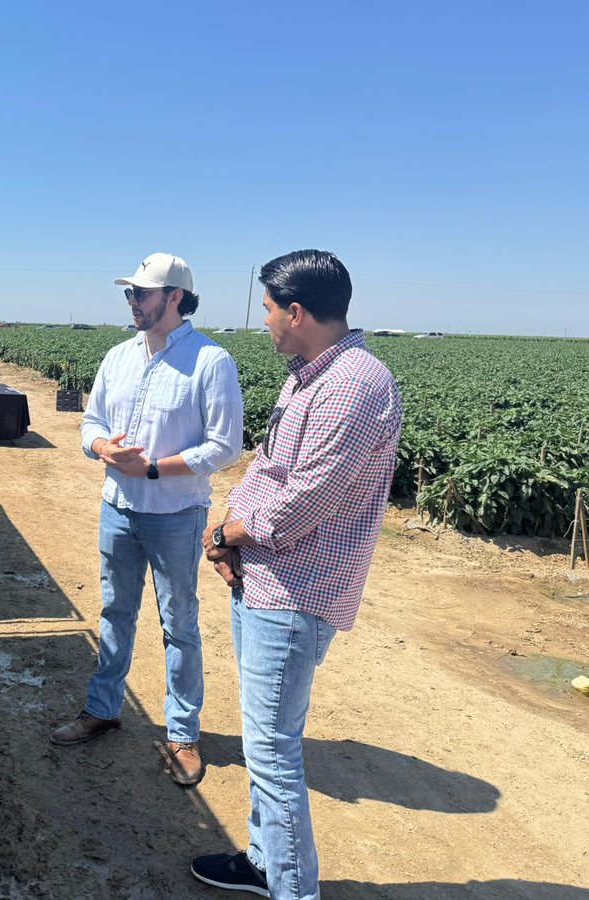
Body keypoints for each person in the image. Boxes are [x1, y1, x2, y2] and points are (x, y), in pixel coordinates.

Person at [193, 250, 402, 898]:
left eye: (267, 310)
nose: (264, 322)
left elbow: (303, 500)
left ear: (298, 311)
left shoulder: (354, 385)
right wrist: (230, 534)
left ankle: (292, 888)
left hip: (294, 596)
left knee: (274, 755)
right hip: (266, 582)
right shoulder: (308, 377)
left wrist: (229, 533)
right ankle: (265, 862)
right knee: (265, 747)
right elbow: (268, 466)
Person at [50, 252, 244, 787]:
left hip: (176, 514)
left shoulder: (210, 362)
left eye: (141, 293)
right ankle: (103, 708)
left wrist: (155, 469)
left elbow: (225, 446)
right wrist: (101, 449)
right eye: (129, 293)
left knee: (178, 624)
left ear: (174, 297)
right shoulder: (119, 357)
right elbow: (91, 420)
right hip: (117, 507)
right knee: (114, 611)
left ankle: (182, 733)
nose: (132, 302)